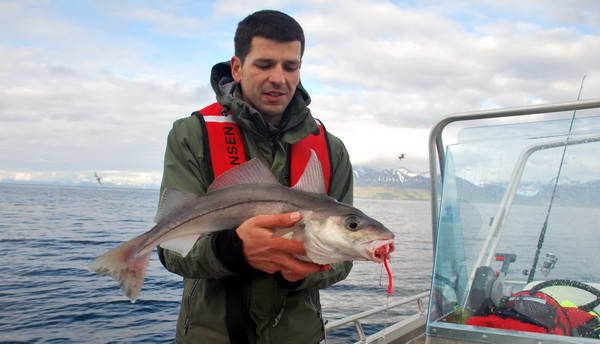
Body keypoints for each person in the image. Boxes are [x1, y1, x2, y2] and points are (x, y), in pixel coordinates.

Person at [158, 10, 354, 344]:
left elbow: (344, 257)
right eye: (265, 64)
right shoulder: (192, 135)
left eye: (290, 66)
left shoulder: (330, 148)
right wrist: (232, 250)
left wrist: (300, 270)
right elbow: (170, 247)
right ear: (237, 67)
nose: (279, 78)